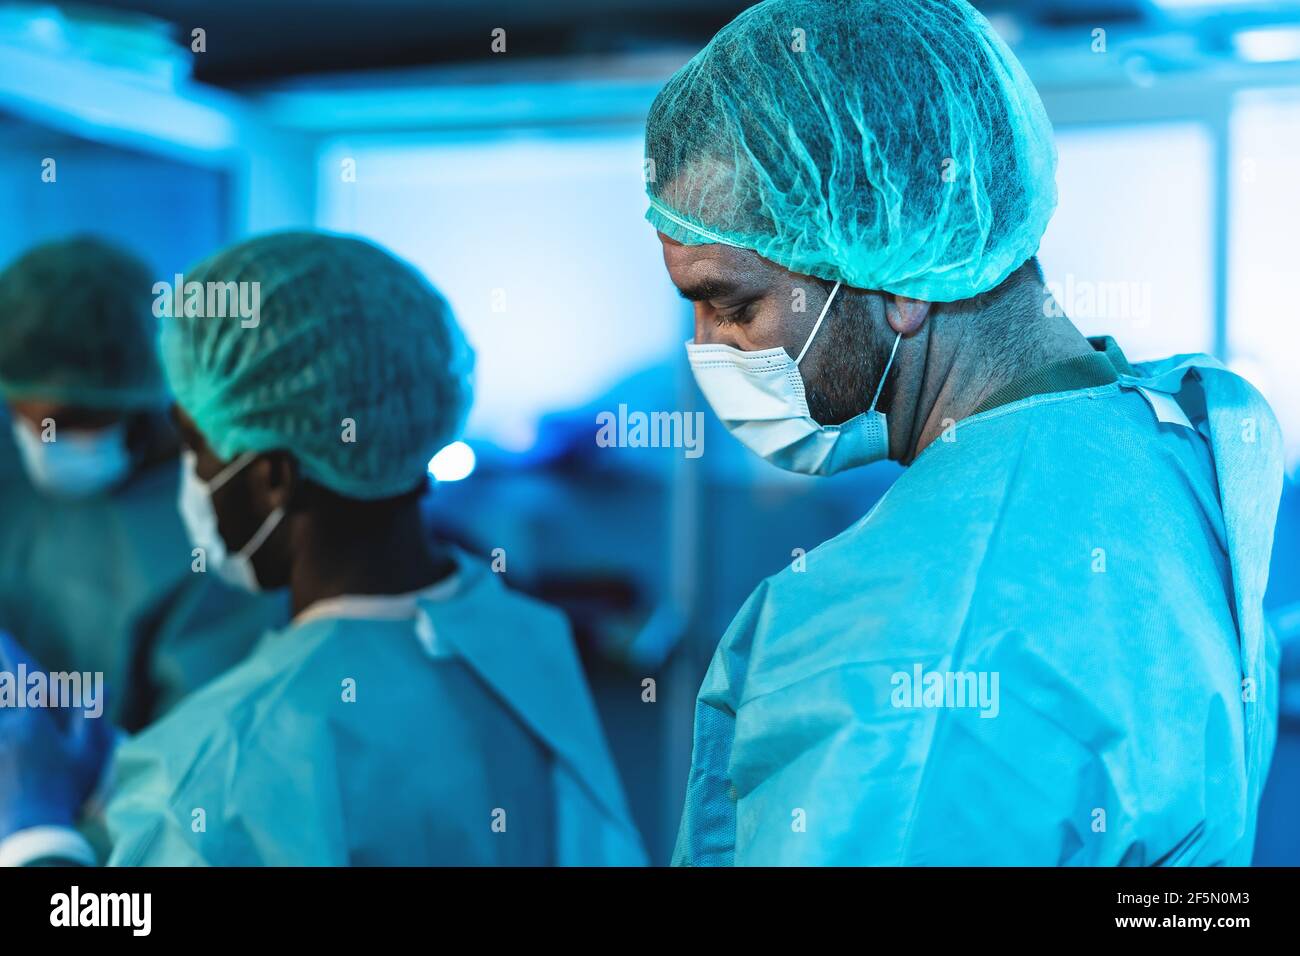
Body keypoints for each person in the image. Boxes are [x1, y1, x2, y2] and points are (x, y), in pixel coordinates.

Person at [646, 0, 1284, 864]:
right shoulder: (1170, 443)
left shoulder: (898, 652)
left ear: (901, 281)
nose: (705, 349)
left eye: (733, 304)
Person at [0, 231, 645, 866]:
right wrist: (120, 773)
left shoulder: (227, 765)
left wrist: (34, 837)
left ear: (273, 477)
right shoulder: (521, 641)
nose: (184, 484)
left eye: (195, 449)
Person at [0, 237, 285, 731]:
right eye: (19, 415)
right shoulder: (15, 486)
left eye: (74, 419)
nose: (41, 441)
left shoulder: (218, 519)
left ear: (143, 393)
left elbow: (199, 751)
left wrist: (86, 797)